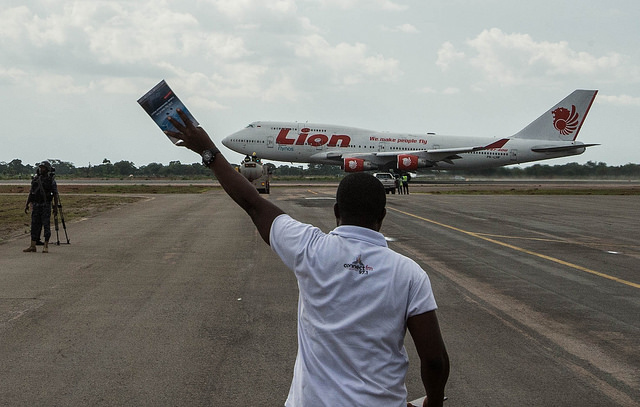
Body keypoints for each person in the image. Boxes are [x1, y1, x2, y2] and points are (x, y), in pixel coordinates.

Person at [166, 110, 449, 407]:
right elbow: (434, 360)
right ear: (382, 216)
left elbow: (252, 203)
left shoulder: (310, 248)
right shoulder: (409, 273)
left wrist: (208, 152)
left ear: (337, 212)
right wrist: (433, 402)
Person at [23, 161, 58, 253]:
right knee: (34, 225)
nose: (41, 169)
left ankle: (46, 245)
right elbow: (31, 193)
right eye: (40, 167)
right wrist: (27, 204)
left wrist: (55, 207)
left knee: (46, 225)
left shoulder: (51, 181)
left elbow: (55, 194)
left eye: (43, 168)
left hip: (45, 205)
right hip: (36, 205)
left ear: (47, 169)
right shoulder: (35, 180)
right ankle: (32, 245)